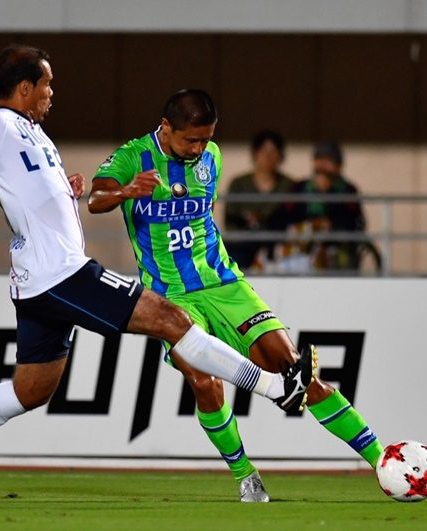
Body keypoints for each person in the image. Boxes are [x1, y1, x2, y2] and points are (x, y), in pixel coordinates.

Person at [0, 46, 311, 505]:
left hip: (38, 283)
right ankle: (274, 387)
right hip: (62, 275)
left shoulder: (30, 134)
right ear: (23, 88)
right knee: (172, 319)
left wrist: (60, 189)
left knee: (31, 390)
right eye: (46, 85)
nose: (52, 94)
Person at [89, 90, 384, 502]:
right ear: (166, 126)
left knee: (295, 372)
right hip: (173, 298)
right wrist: (126, 192)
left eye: (205, 139)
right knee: (203, 380)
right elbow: (95, 198)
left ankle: (382, 460)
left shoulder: (211, 157)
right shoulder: (132, 156)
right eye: (190, 140)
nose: (198, 148)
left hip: (227, 285)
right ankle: (245, 474)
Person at [269, 141, 366, 270]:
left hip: (332, 246)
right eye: (319, 159)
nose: (323, 165)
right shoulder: (300, 187)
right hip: (300, 245)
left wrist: (326, 193)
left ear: (338, 166)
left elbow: (353, 222)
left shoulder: (347, 190)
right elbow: (282, 215)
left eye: (328, 160)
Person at [224, 130, 296, 268]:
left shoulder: (289, 185)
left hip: (277, 246)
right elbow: (230, 220)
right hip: (243, 245)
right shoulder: (239, 184)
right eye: (264, 152)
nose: (268, 157)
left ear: (280, 156)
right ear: (255, 154)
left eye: (273, 152)